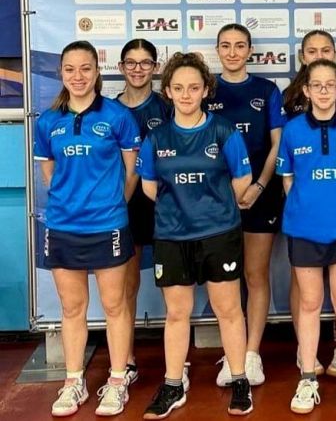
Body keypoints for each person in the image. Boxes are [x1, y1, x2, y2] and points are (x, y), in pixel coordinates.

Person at [138, 53, 253, 418]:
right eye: (178, 88)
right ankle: (173, 385)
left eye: (193, 87)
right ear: (168, 92)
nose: (186, 95)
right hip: (172, 235)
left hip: (219, 233)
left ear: (205, 90)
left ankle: (239, 380)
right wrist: (183, 208)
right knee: (176, 313)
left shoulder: (224, 132)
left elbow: (242, 180)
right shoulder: (157, 137)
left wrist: (212, 207)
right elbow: (150, 187)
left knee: (228, 310)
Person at [34, 40, 139, 417]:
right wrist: (71, 202)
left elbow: (131, 171)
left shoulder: (117, 116)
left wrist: (110, 205)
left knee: (114, 305)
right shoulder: (48, 121)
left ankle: (117, 380)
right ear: (61, 73)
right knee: (72, 307)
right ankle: (74, 381)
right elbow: (49, 174)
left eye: (85, 68)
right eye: (70, 69)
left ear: (97, 72)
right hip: (63, 225)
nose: (77, 76)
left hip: (108, 224)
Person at [277, 59, 336, 415]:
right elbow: (288, 180)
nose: (324, 91)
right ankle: (307, 377)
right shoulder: (293, 130)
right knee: (310, 302)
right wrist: (308, 208)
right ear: (306, 90)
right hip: (304, 229)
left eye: (331, 84)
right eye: (317, 85)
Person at [210, 24, 286, 386]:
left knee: (255, 275)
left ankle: (252, 354)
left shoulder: (267, 90)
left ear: (250, 50)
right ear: (217, 50)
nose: (233, 52)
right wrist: (222, 189)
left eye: (240, 45)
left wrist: (258, 185)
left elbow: (277, 145)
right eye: (226, 45)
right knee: (225, 279)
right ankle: (233, 352)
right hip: (216, 199)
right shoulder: (207, 89)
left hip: (260, 196)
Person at [115, 39, 178, 386]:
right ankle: (125, 359)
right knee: (126, 287)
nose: (137, 69)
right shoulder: (108, 110)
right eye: (131, 62)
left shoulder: (167, 108)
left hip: (164, 205)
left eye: (145, 63)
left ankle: (177, 361)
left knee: (174, 288)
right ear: (121, 67)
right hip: (123, 206)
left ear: (155, 67)